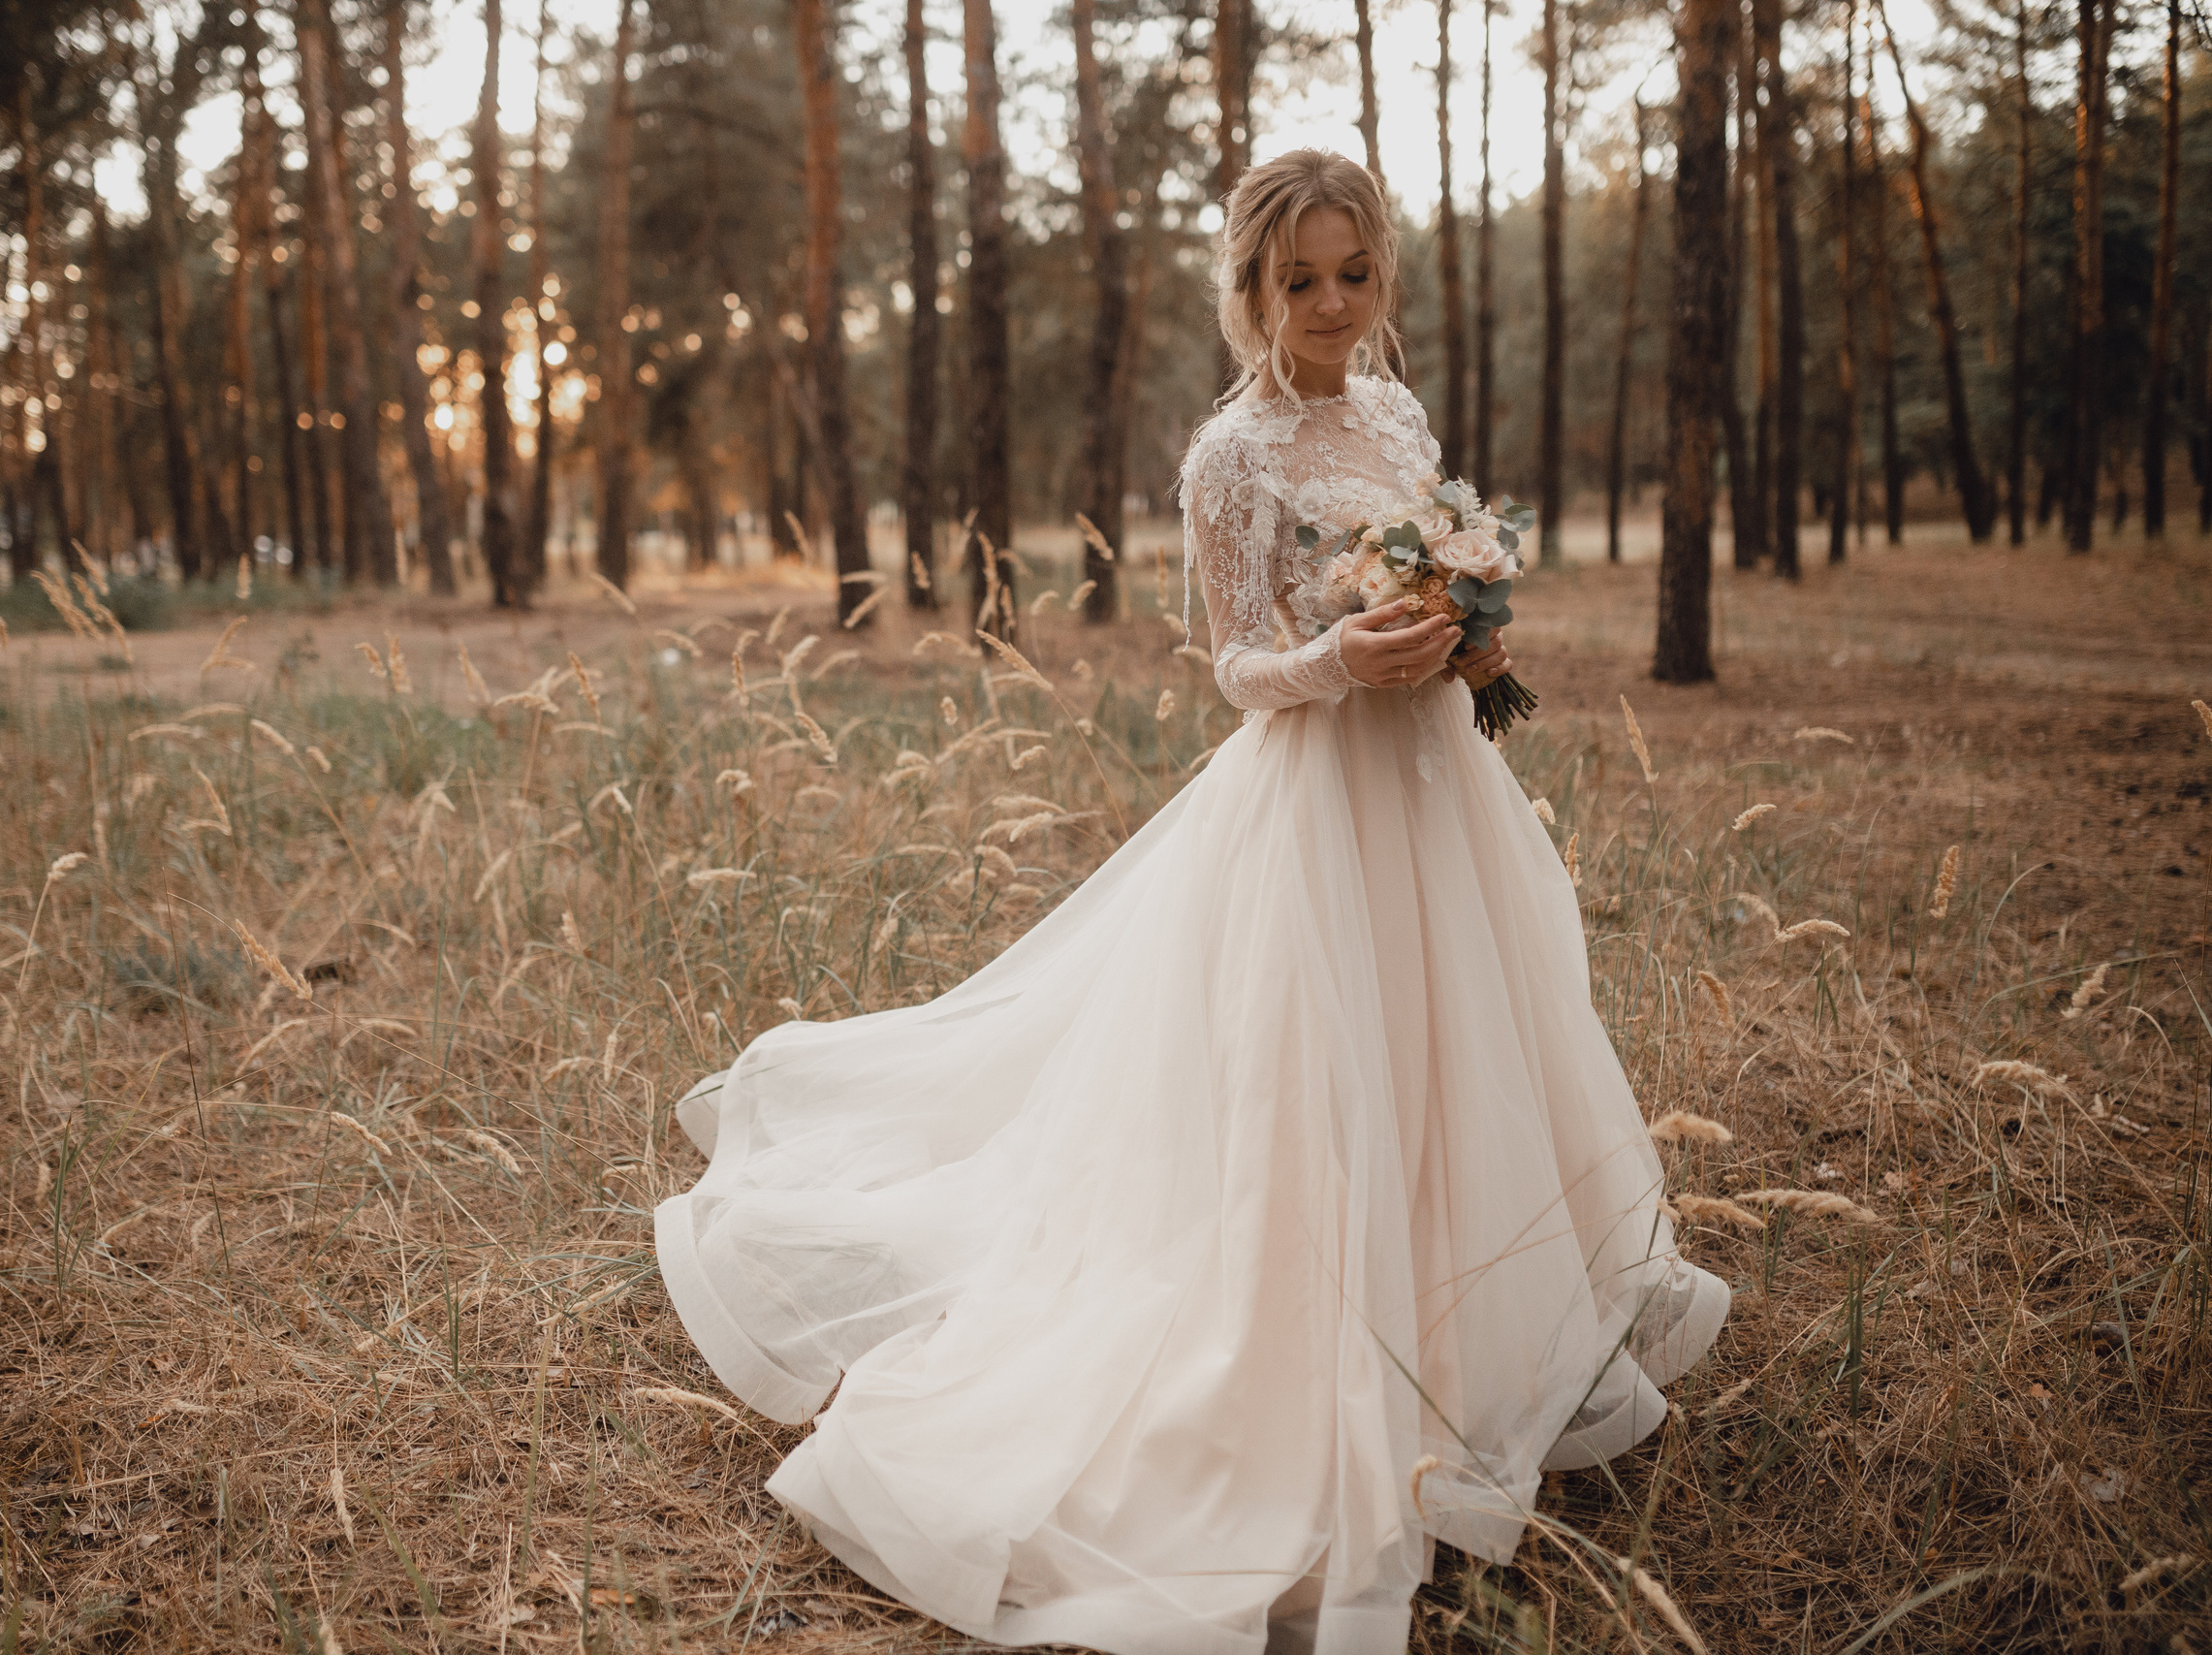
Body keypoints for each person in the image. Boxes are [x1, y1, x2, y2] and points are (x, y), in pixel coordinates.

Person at [654, 148, 1727, 1654]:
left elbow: (1436, 564)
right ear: (1250, 289)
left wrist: (1470, 635)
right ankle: (1324, 1371)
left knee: (1465, 1046)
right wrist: (1340, 662)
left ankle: (1480, 1346)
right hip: (1316, 802)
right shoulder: (1233, 458)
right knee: (1320, 1084)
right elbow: (1234, 665)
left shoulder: (1399, 412)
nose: (1334, 305)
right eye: (1302, 281)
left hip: (1433, 785)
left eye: (1356, 273)